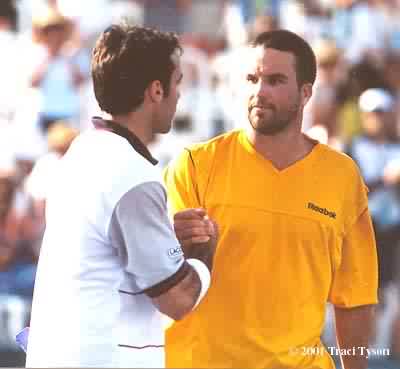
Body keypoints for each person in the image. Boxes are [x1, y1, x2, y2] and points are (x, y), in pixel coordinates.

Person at [163, 30, 378, 369]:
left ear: (305, 93)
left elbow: (356, 297)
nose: (259, 91)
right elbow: (158, 275)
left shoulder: (342, 177)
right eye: (252, 78)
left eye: (275, 80)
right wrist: (171, 242)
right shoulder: (195, 165)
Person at [25, 24, 217, 368]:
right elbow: (177, 300)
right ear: (156, 91)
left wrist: (166, 238)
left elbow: (105, 255)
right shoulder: (131, 175)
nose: (179, 95)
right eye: (177, 83)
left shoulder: (82, 151)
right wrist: (203, 251)